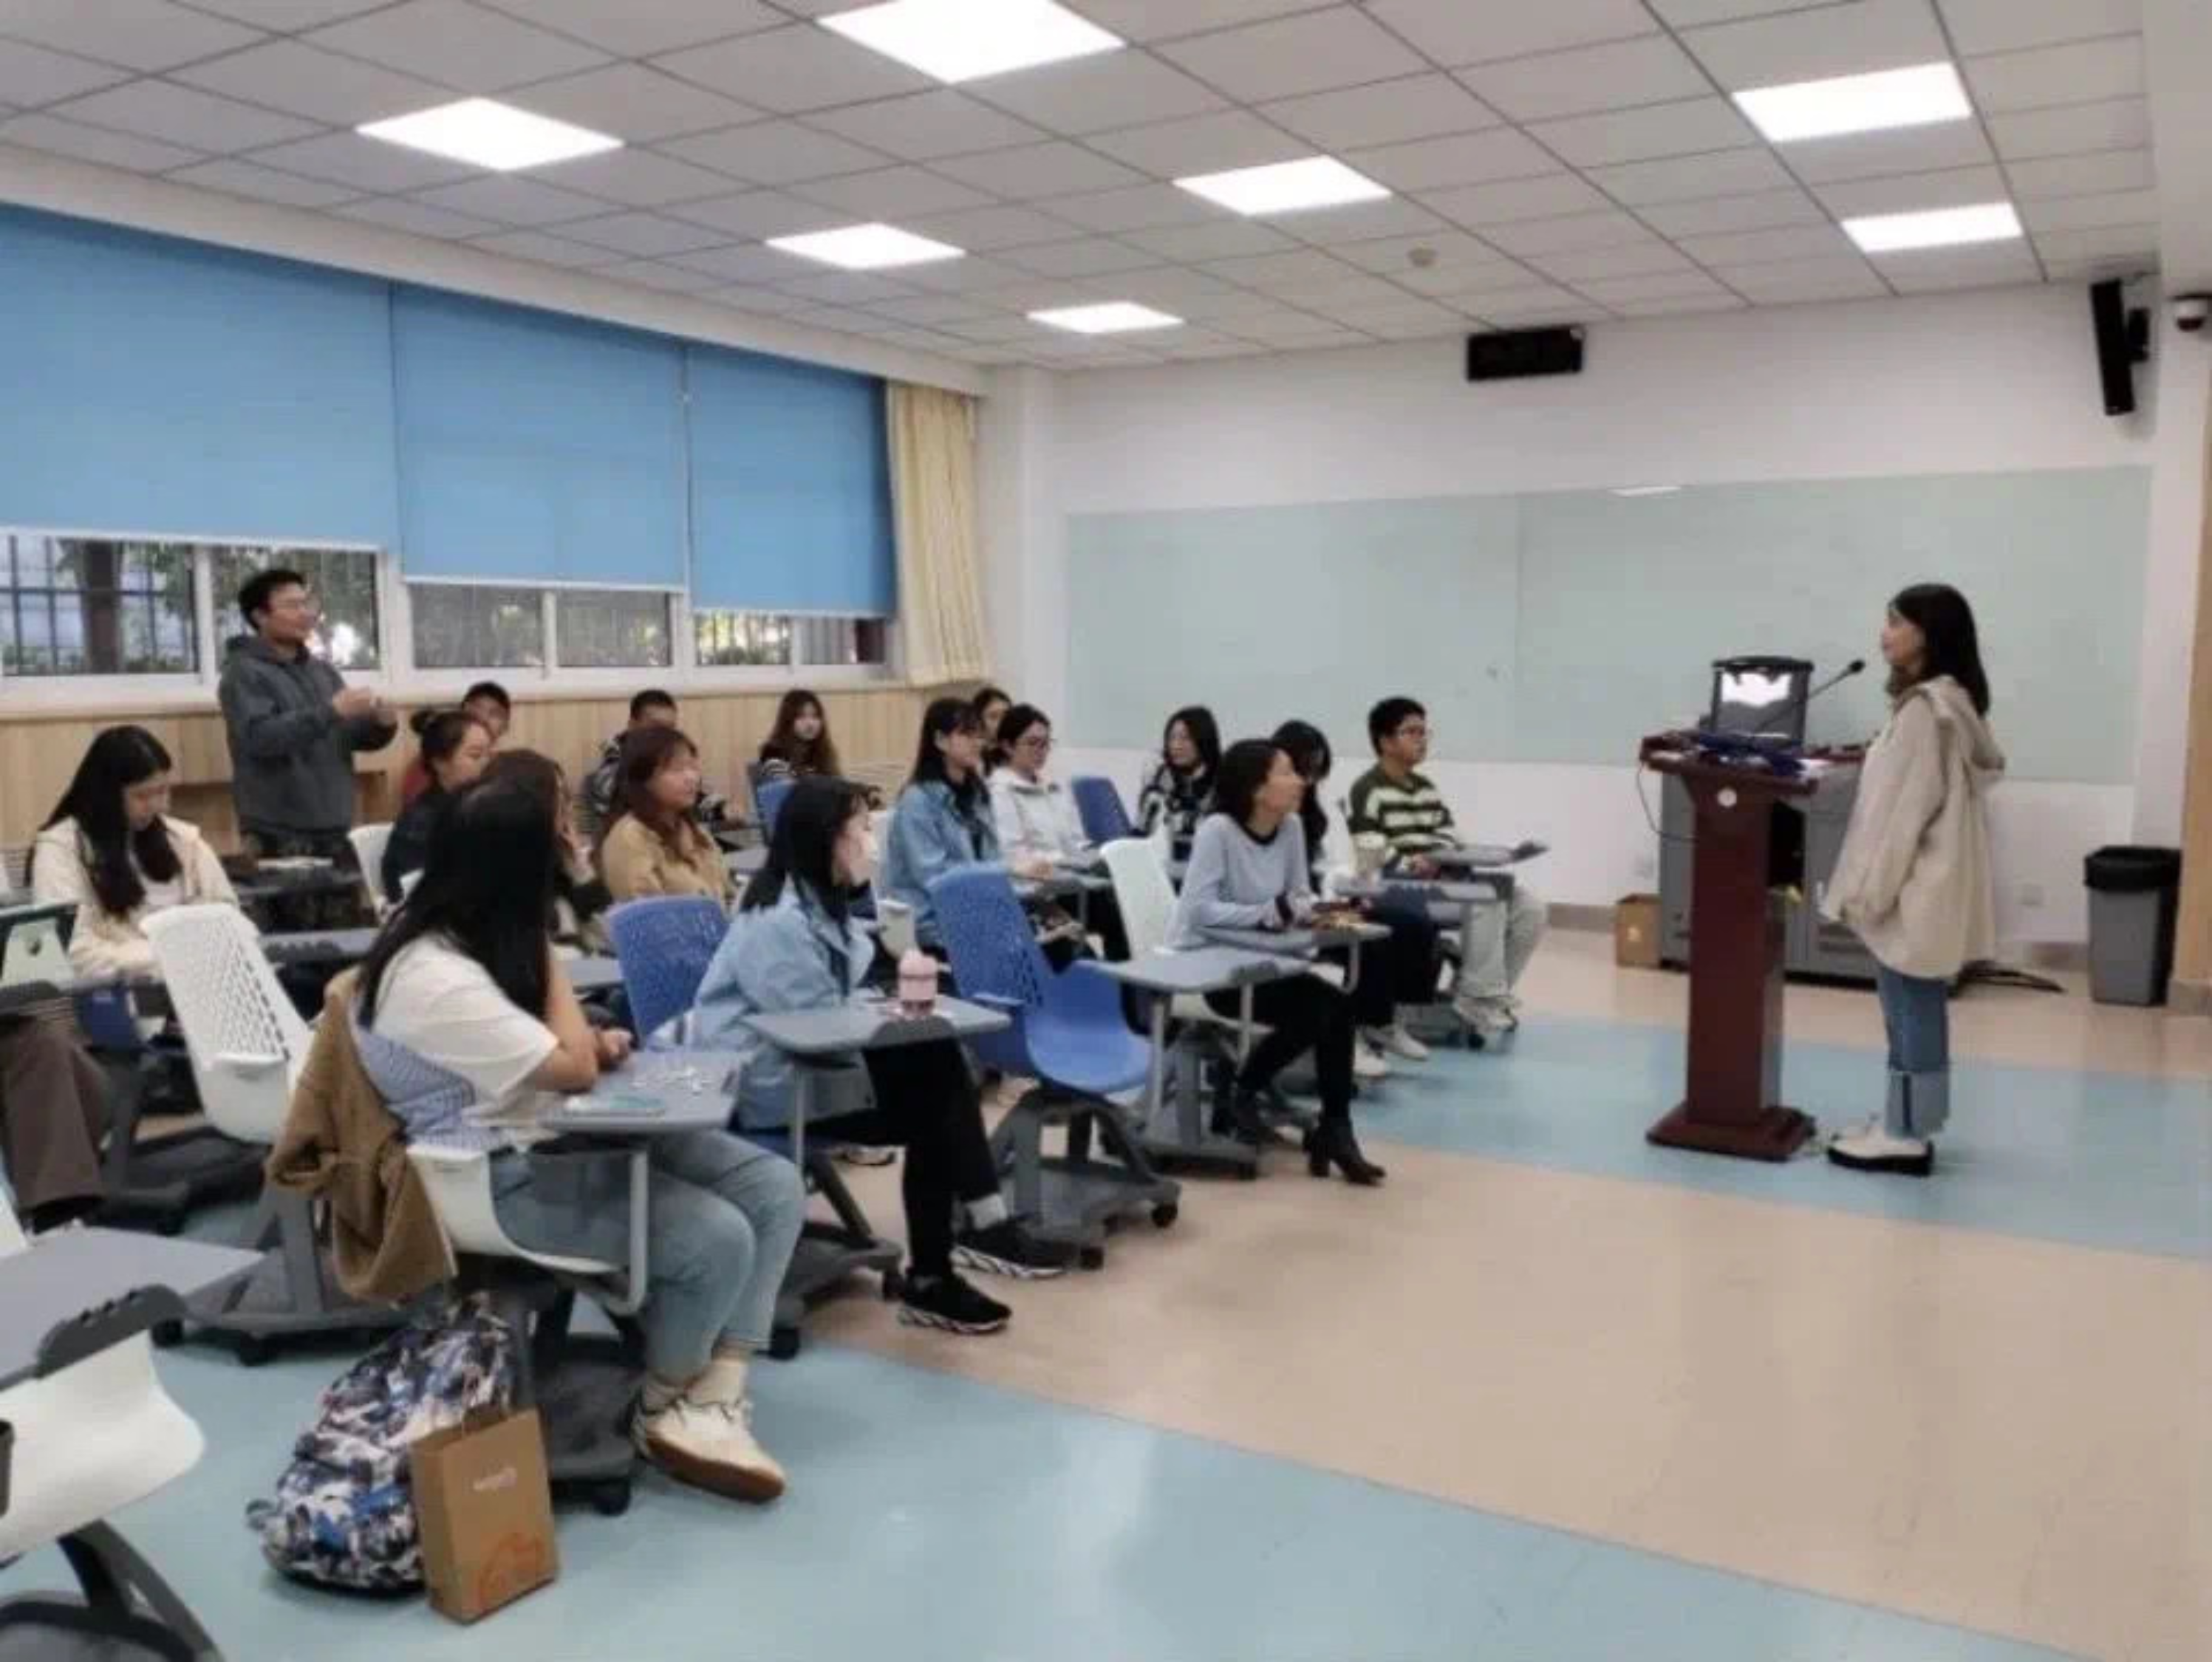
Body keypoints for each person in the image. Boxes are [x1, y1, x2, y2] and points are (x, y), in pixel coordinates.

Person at [351, 775, 804, 1501]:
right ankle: (663, 1405)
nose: (571, 850)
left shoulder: (476, 934)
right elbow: (567, 1066)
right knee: (717, 1239)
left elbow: (546, 1049)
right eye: (555, 843)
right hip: (493, 1174)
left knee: (774, 1188)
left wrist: (589, 1039)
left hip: (560, 1129)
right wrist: (556, 977)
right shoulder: (430, 973)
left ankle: (712, 1396)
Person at [694, 777, 1072, 1335]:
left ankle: (950, 1260)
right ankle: (955, 1253)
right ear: (825, 838)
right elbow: (817, 1028)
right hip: (769, 1088)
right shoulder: (777, 921)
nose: (871, 842)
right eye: (860, 830)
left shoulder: (820, 903)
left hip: (807, 1071)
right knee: (936, 1092)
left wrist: (893, 997)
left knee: (938, 1064)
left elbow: (837, 1002)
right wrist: (888, 1013)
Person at [1822, 584, 2004, 1177]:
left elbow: (1897, 818)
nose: (1885, 634)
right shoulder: (1948, 703)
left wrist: (1866, 894)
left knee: (1910, 1008)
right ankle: (1905, 1121)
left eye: (1897, 622)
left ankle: (1905, 1134)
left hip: (1912, 885)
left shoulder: (1927, 712)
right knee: (1911, 1006)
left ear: (1929, 634)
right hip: (1926, 881)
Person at [1168, 739, 1386, 1186]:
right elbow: (1200, 911)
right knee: (1319, 1010)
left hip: (1266, 962)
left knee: (1337, 1006)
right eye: (1286, 772)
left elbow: (1299, 894)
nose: (1300, 781)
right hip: (1212, 971)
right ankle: (1247, 1093)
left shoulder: (1291, 827)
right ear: (1256, 788)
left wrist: (1319, 911)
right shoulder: (1217, 831)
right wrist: (1268, 912)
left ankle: (1335, 1127)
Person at [1348, 697, 1547, 1036]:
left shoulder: (1426, 789)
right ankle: (1477, 996)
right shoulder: (1367, 789)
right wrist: (1413, 863)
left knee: (1530, 908)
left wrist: (1436, 857)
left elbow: (1448, 832)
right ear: (1385, 741)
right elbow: (1369, 846)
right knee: (1484, 898)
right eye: (1411, 732)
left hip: (1437, 880)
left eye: (1424, 732)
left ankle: (1483, 996)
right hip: (1397, 886)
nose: (1421, 739)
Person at [1273, 720, 1438, 1072]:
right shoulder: (1270, 817)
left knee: (1412, 925)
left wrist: (1343, 892)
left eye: (1316, 771)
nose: (1309, 780)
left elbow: (1321, 869)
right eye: (1303, 770)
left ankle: (1385, 1020)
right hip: (1290, 913)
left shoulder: (1310, 813)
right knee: (1367, 940)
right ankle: (1362, 1028)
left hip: (1316, 903)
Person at [33, 725, 243, 979]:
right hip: (118, 992)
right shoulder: (61, 849)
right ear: (107, 795)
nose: (157, 806)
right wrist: (169, 956)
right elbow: (75, 951)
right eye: (142, 796)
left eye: (163, 791)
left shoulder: (184, 840)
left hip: (203, 979)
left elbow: (229, 917)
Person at [216, 568, 396, 864]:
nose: (306, 614)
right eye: (292, 606)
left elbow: (348, 736)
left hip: (335, 823)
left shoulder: (322, 671)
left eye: (307, 604)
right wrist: (331, 711)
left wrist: (381, 724)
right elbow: (260, 737)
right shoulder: (243, 673)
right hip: (277, 829)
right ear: (260, 616)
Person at [989, 704, 1130, 961]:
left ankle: (1129, 986)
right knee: (1083, 952)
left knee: (1125, 915)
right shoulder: (1000, 792)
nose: (1041, 751)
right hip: (1038, 894)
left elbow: (1077, 841)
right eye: (1032, 743)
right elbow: (1014, 857)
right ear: (1008, 746)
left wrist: (1096, 856)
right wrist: (1064, 862)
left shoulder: (1053, 787)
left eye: (1046, 744)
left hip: (1072, 884)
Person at [881, 697, 1004, 954]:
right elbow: (936, 878)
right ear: (940, 740)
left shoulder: (977, 794)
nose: (977, 743)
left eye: (979, 735)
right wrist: (1000, 873)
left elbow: (993, 857)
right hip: (934, 923)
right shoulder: (917, 801)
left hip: (975, 914)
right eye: (966, 734)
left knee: (1058, 944)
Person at [484, 750, 613, 954]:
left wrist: (581, 871)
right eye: (554, 794)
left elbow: (616, 943)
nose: (565, 806)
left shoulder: (560, 866)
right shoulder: (495, 877)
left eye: (565, 794)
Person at [599, 725, 737, 906]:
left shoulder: (694, 830)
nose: (691, 778)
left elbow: (728, 893)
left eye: (693, 766)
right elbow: (649, 916)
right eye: (677, 769)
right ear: (644, 779)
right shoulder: (630, 838)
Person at [382, 709, 494, 904]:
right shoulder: (421, 820)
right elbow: (420, 893)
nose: (488, 764)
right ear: (440, 763)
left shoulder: (478, 807)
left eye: (490, 755)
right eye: (476, 756)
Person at [585, 690, 731, 834]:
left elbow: (695, 793)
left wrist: (721, 808)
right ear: (632, 726)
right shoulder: (611, 772)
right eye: (656, 727)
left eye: (671, 729)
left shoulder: (672, 754)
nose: (664, 736)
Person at [401, 682, 510, 807]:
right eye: (477, 708)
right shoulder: (426, 767)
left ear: (505, 727)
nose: (483, 717)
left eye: (495, 713)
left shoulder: (507, 767)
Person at [1137, 706, 1221, 864]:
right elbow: (1142, 830)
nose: (1176, 746)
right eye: (1171, 738)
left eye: (1186, 738)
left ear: (1204, 740)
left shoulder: (1222, 781)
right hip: (1161, 863)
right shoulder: (1162, 776)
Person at [756, 689, 843, 784]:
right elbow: (782, 790)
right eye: (801, 717)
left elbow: (836, 786)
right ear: (787, 720)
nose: (810, 723)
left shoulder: (821, 752)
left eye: (815, 716)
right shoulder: (773, 751)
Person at [970, 685, 1013, 776]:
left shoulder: (1020, 753)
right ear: (979, 722)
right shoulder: (973, 761)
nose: (1002, 721)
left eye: (1006, 714)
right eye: (994, 716)